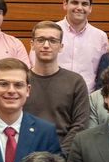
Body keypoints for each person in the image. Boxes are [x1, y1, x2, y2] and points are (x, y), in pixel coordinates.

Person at [25, 20, 90, 150]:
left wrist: (59, 154)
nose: (46, 45)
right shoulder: (20, 82)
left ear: (61, 46)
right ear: (32, 44)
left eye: (53, 41)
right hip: (24, 154)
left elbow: (80, 125)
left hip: (64, 157)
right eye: (41, 40)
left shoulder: (75, 82)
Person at [48, 0, 109, 89]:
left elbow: (104, 74)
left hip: (87, 99)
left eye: (84, 4)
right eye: (75, 2)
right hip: (53, 96)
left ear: (90, 8)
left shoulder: (100, 37)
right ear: (65, 4)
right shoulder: (50, 32)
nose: (79, 7)